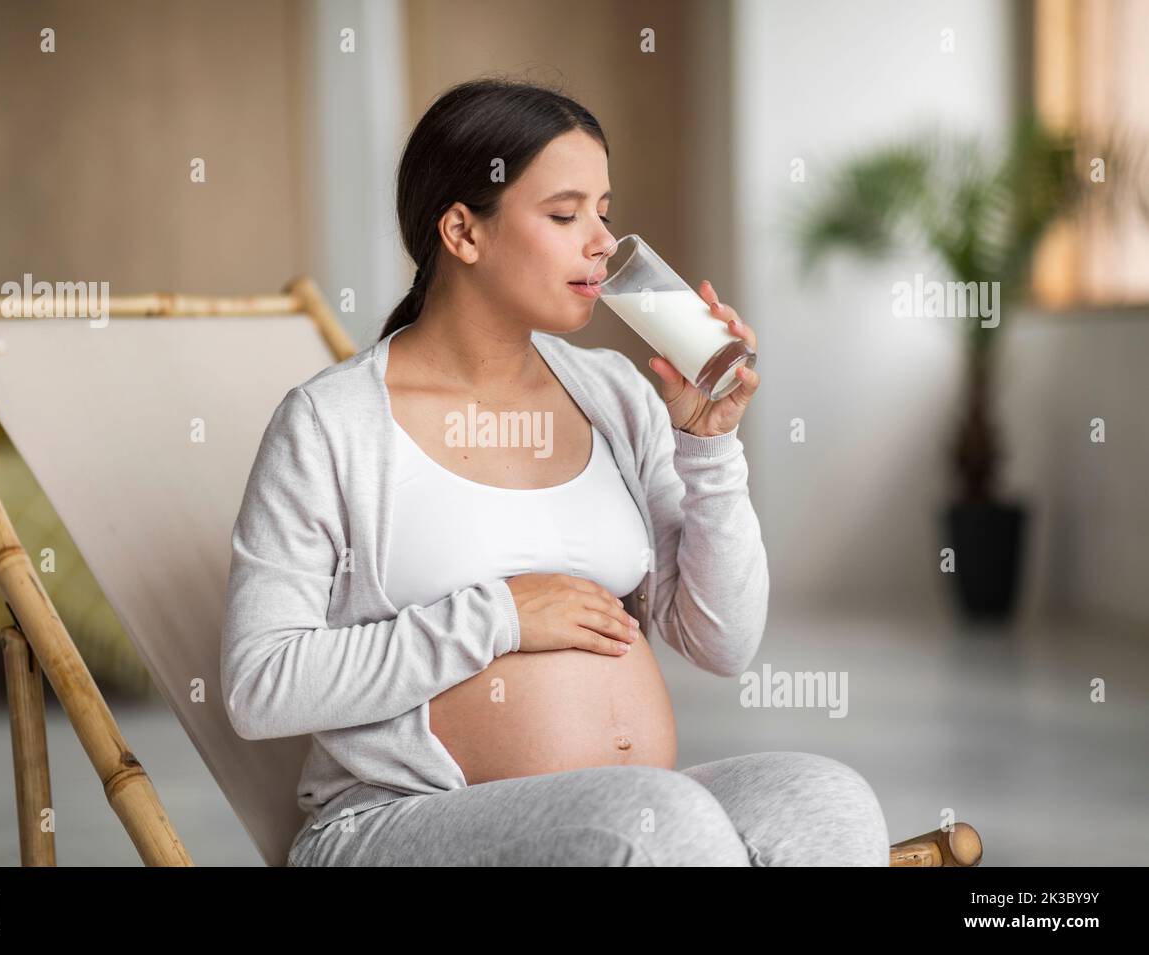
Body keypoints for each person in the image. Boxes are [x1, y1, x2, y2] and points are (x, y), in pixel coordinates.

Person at [221, 77, 889, 866]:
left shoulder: (613, 394)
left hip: (622, 810)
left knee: (823, 801)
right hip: (393, 823)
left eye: (604, 213)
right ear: (464, 233)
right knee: (659, 821)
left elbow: (723, 643)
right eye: (566, 214)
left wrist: (707, 447)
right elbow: (258, 686)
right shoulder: (333, 424)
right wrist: (498, 616)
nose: (603, 243)